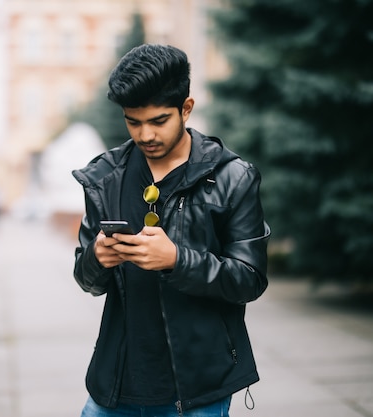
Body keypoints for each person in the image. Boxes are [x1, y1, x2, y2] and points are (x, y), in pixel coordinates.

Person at [71, 44, 270, 417]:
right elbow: (87, 279)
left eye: (159, 121)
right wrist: (97, 258)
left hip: (198, 386)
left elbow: (250, 278)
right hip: (115, 385)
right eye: (133, 121)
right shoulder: (105, 177)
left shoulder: (232, 177)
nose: (145, 134)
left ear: (186, 108)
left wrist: (178, 261)